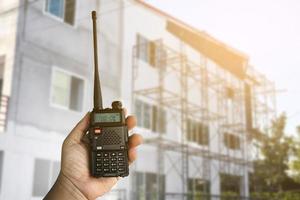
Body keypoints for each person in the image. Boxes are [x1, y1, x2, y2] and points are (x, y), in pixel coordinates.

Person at [44, 112, 143, 200]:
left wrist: (73, 189)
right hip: (99, 150)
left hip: (118, 149)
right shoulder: (94, 126)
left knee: (133, 143)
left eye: (112, 118)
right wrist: (72, 186)